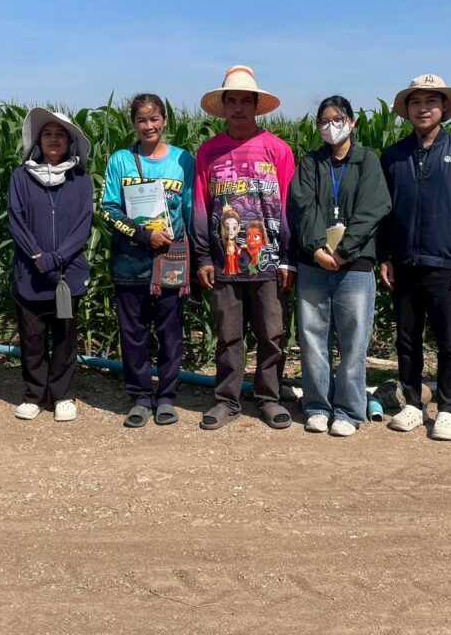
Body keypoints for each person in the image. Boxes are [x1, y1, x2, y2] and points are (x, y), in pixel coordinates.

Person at [379, 75, 451, 441]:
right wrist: (386, 255)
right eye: (416, 102)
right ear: (407, 109)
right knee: (407, 339)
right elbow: (383, 212)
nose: (423, 108)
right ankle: (413, 404)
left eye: (431, 101)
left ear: (444, 108)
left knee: (449, 342)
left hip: (448, 265)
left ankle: (448, 409)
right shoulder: (394, 156)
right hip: (405, 263)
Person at [193, 65, 296, 430]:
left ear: (255, 106)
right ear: (224, 106)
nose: (238, 108)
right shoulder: (209, 152)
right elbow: (201, 206)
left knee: (272, 334)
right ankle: (227, 400)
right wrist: (203, 256)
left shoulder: (278, 150)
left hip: (268, 261)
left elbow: (289, 207)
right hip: (225, 261)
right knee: (228, 335)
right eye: (231, 101)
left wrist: (288, 258)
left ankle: (269, 398)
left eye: (245, 101)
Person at [288, 95, 391, 437]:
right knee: (312, 337)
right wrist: (318, 248)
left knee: (354, 341)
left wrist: (345, 251)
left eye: (338, 119)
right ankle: (317, 406)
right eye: (324, 121)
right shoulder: (310, 162)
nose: (331, 126)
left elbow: (373, 208)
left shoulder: (367, 161)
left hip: (355, 266)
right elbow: (303, 206)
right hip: (314, 264)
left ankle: (348, 410)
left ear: (352, 122)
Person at [100, 94, 195, 427]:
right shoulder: (121, 161)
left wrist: (195, 259)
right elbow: (108, 210)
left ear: (165, 120)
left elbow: (190, 210)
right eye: (142, 120)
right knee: (133, 333)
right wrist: (143, 235)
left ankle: (167, 396)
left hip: (170, 260)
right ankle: (140, 397)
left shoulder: (183, 160)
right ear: (133, 124)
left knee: (170, 333)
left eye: (154, 118)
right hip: (130, 262)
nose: (149, 125)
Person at [8, 108, 94, 423]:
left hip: (68, 273)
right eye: (47, 134)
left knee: (64, 337)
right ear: (38, 140)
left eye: (60, 135)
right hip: (30, 272)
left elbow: (84, 224)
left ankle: (62, 394)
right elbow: (15, 218)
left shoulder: (80, 179)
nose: (53, 140)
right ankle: (34, 394)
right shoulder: (21, 176)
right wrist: (37, 255)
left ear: (70, 142)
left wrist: (57, 257)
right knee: (32, 337)